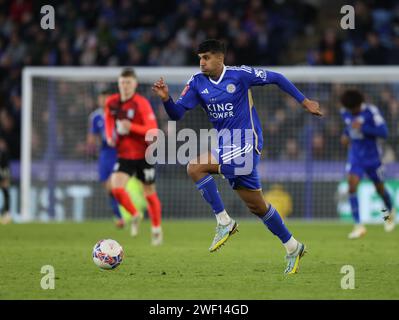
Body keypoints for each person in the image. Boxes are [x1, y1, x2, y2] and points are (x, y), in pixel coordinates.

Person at [152, 39, 322, 274]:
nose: (201, 62)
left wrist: (304, 102)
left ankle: (224, 221)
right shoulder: (197, 82)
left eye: (206, 57)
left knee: (194, 167)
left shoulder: (240, 75)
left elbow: (278, 78)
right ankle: (293, 247)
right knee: (257, 206)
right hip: (225, 146)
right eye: (200, 58)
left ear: (220, 58)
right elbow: (177, 114)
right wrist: (165, 99)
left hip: (247, 142)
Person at [105, 68, 163, 246]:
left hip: (143, 154)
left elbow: (153, 129)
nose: (125, 86)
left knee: (149, 193)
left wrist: (131, 127)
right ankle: (135, 215)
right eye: (122, 82)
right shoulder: (112, 102)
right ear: (118, 84)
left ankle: (156, 229)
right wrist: (109, 136)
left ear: (135, 84)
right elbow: (108, 119)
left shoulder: (141, 103)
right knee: (115, 188)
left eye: (128, 82)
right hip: (124, 155)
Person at [340, 89, 395, 239]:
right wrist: (345, 135)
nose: (352, 112)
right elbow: (348, 128)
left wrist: (363, 128)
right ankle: (358, 226)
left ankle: (389, 213)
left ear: (360, 104)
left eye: (354, 109)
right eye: (350, 110)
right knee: (352, 186)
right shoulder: (345, 112)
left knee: (380, 189)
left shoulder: (371, 111)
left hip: (373, 158)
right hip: (355, 157)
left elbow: (384, 132)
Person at [87, 89, 124, 228]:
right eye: (101, 98)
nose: (103, 101)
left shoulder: (119, 114)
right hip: (104, 153)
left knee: (112, 184)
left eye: (106, 98)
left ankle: (121, 215)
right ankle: (119, 214)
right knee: (107, 186)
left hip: (118, 152)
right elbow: (92, 137)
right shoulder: (95, 117)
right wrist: (91, 145)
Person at [0, 137, 11, 225]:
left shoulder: (5, 154)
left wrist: (5, 176)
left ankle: (6, 213)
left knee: (5, 191)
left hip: (3, 173)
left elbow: (6, 167)